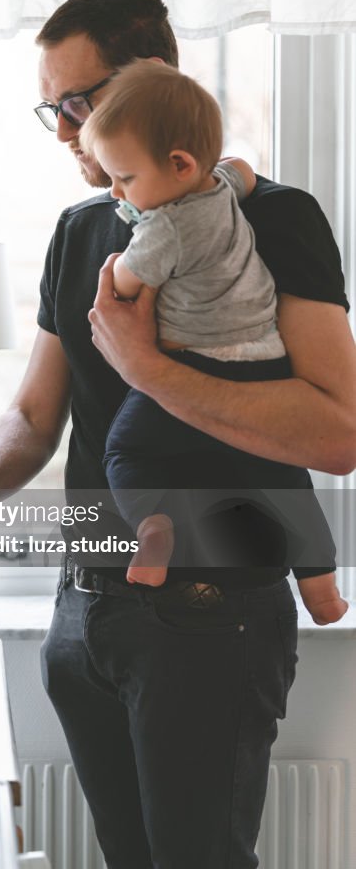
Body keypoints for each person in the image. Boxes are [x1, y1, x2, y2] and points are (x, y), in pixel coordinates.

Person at [0, 0, 356, 869]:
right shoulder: (81, 229)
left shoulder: (276, 219)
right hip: (82, 605)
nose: (63, 132)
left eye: (77, 103)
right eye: (49, 108)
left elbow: (337, 432)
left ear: (152, 77)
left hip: (211, 614)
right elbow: (29, 416)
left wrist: (148, 370)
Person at [76, 59, 347, 626]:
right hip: (263, 361)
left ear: (177, 163)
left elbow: (124, 283)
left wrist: (119, 279)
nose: (118, 193)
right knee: (285, 481)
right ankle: (323, 592)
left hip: (191, 360)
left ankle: (153, 526)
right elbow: (241, 169)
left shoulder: (162, 229)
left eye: (125, 179)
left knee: (128, 452)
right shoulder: (221, 188)